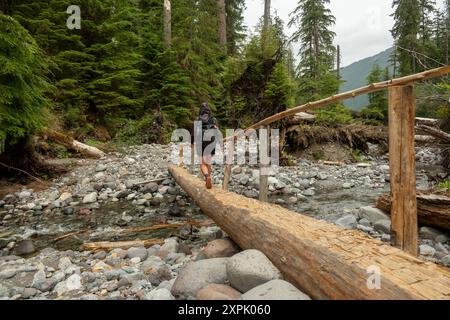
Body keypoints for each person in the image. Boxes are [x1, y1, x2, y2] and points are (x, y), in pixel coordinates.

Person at [196, 102, 219, 189]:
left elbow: (194, 133)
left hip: (200, 142)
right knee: (208, 162)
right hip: (211, 141)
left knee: (202, 163)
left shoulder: (198, 119)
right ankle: (209, 178)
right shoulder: (213, 119)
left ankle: (206, 176)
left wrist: (191, 143)